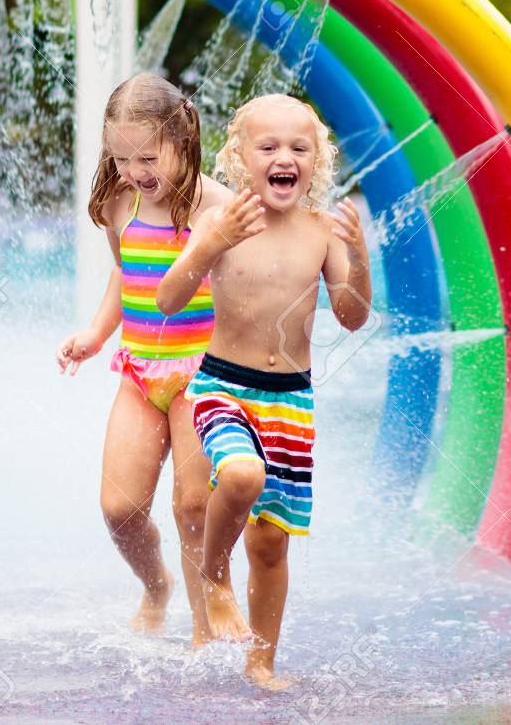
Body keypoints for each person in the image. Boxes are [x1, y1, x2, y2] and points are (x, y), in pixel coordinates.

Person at [155, 94, 373, 688]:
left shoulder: (323, 231)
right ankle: (212, 576)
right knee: (243, 477)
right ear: (239, 158)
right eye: (268, 147)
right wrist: (209, 244)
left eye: (299, 148)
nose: (285, 157)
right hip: (224, 386)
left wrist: (358, 257)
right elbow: (167, 301)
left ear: (317, 162)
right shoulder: (223, 220)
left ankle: (262, 661)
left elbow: (352, 317)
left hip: (291, 401)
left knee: (273, 544)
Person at [56, 72, 235, 643]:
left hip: (201, 376)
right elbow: (124, 270)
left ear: (183, 137)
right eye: (120, 158)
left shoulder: (218, 208)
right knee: (119, 508)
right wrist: (97, 331)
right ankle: (156, 584)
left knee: (192, 505)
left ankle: (206, 628)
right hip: (139, 373)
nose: (134, 172)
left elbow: (251, 286)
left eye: (147, 157)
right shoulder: (120, 203)